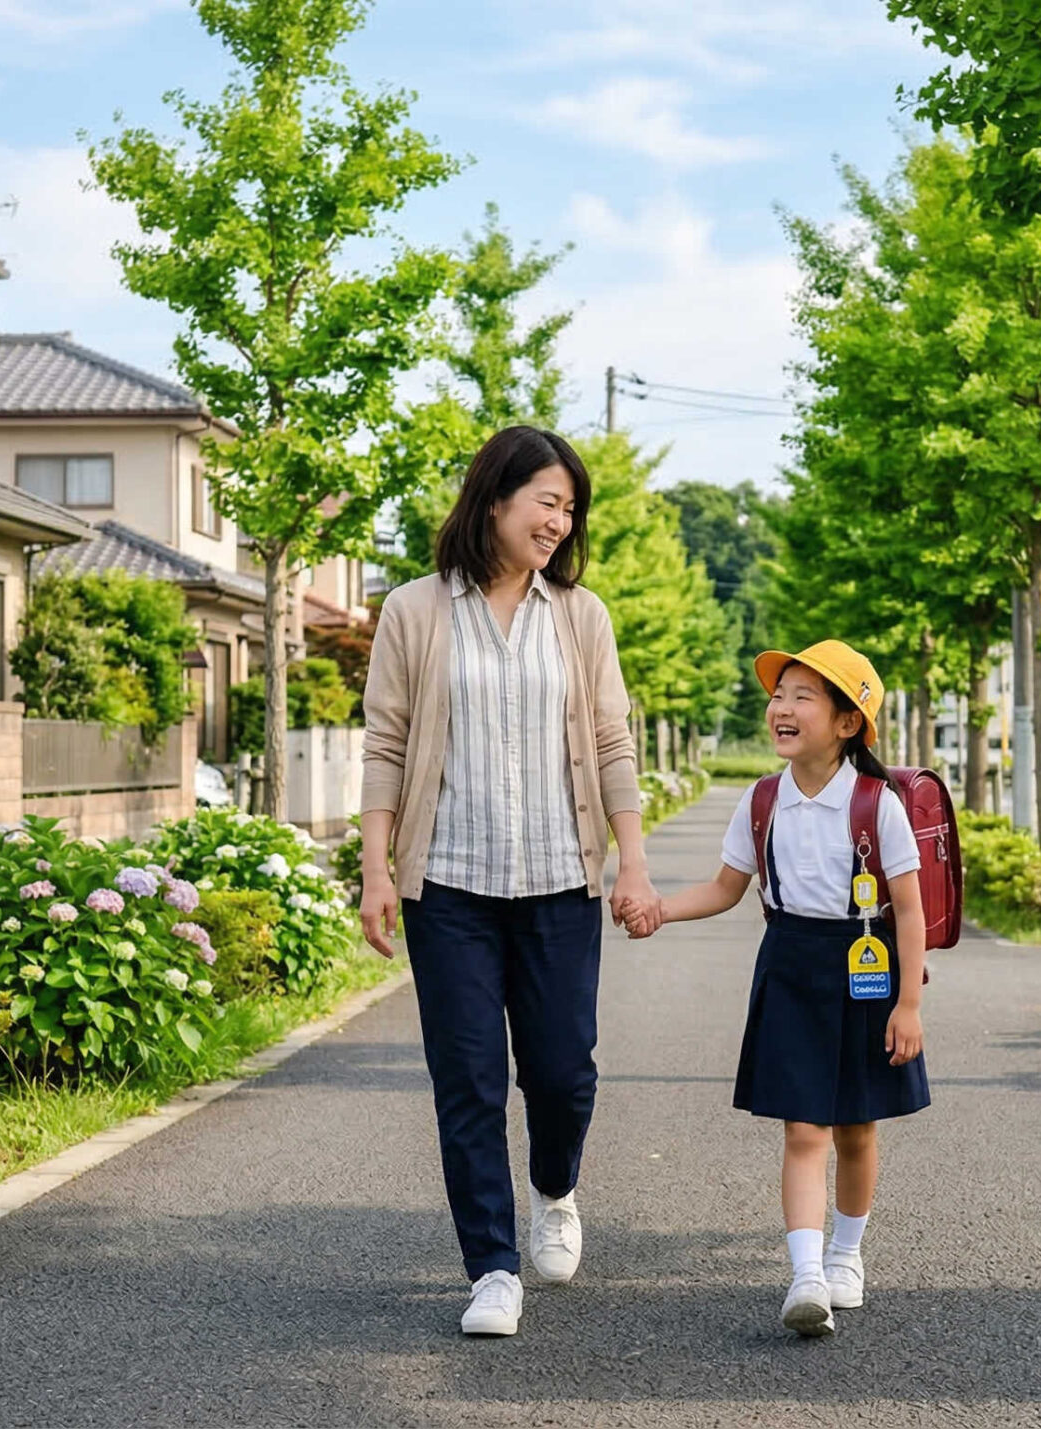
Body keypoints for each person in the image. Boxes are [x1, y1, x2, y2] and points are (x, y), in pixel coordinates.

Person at [359, 426, 660, 1339]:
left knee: (564, 1072)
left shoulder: (581, 616)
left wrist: (633, 855)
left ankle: (555, 1189)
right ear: (495, 499)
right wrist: (376, 866)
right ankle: (491, 1265)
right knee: (470, 1080)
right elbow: (385, 744)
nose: (561, 523)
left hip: (560, 882)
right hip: (447, 885)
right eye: (548, 502)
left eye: (571, 510)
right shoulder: (414, 611)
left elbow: (611, 741)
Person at [632, 639, 930, 1337]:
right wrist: (660, 909)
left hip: (866, 967)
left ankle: (846, 1253)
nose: (782, 708)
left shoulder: (875, 803)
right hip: (791, 963)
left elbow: (909, 907)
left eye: (802, 696)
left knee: (856, 1127)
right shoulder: (762, 799)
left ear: (848, 721)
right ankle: (805, 1274)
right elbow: (726, 886)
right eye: (778, 695)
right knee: (804, 1126)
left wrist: (910, 1003)